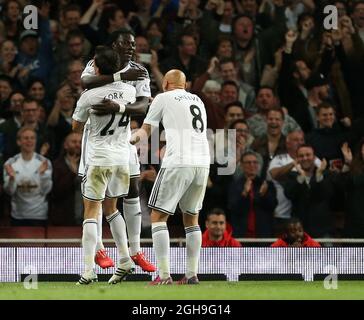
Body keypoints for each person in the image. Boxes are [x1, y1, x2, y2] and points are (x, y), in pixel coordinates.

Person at [80, 29, 156, 273]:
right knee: (96, 199)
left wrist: (119, 107)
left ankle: (135, 251)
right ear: (114, 45)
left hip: (124, 142)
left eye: (133, 44)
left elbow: (144, 104)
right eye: (126, 43)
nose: (131, 47)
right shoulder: (96, 64)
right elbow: (86, 81)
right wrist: (119, 75)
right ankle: (99, 249)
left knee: (132, 191)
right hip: (94, 140)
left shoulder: (141, 70)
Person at [131, 69, 210, 285]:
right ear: (184, 84)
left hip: (178, 161)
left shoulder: (162, 98)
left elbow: (144, 131)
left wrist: (127, 140)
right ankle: (192, 274)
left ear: (165, 83)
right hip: (202, 162)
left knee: (158, 217)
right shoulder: (197, 99)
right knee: (192, 219)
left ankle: (164, 275)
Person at [3, 127, 52, 226]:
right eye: (26, 138)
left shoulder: (44, 162)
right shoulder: (10, 163)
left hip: (39, 215)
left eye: (32, 138)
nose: (29, 141)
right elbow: (9, 191)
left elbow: (46, 190)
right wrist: (12, 178)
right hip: (17, 216)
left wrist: (43, 175)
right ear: (19, 142)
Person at [49, 132, 82, 226]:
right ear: (65, 145)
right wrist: (72, 173)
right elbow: (56, 192)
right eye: (74, 142)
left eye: (80, 142)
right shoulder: (56, 165)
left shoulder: (89, 164)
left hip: (87, 217)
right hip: (64, 218)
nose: (77, 145)